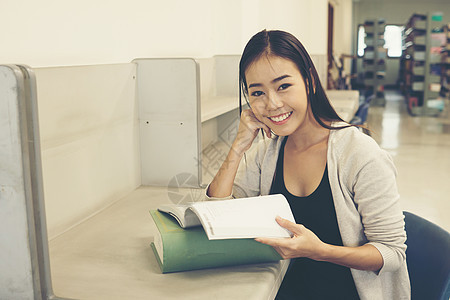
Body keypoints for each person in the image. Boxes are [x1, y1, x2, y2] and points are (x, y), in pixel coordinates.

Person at [206, 29, 410, 299]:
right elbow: (215, 219)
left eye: (283, 86)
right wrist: (238, 145)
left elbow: (391, 253)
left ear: (309, 80)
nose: (272, 104)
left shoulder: (359, 154)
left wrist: (320, 251)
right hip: (281, 290)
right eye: (257, 93)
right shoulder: (267, 153)